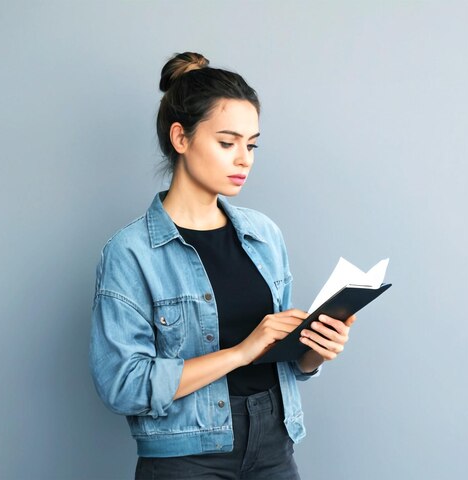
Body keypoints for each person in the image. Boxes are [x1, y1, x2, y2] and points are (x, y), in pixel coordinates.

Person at [89, 51, 356, 480]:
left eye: (251, 145)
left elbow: (285, 360)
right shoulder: (132, 252)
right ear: (181, 138)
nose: (244, 159)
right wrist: (241, 352)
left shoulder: (264, 235)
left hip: (274, 441)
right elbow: (124, 385)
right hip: (185, 454)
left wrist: (314, 352)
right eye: (227, 143)